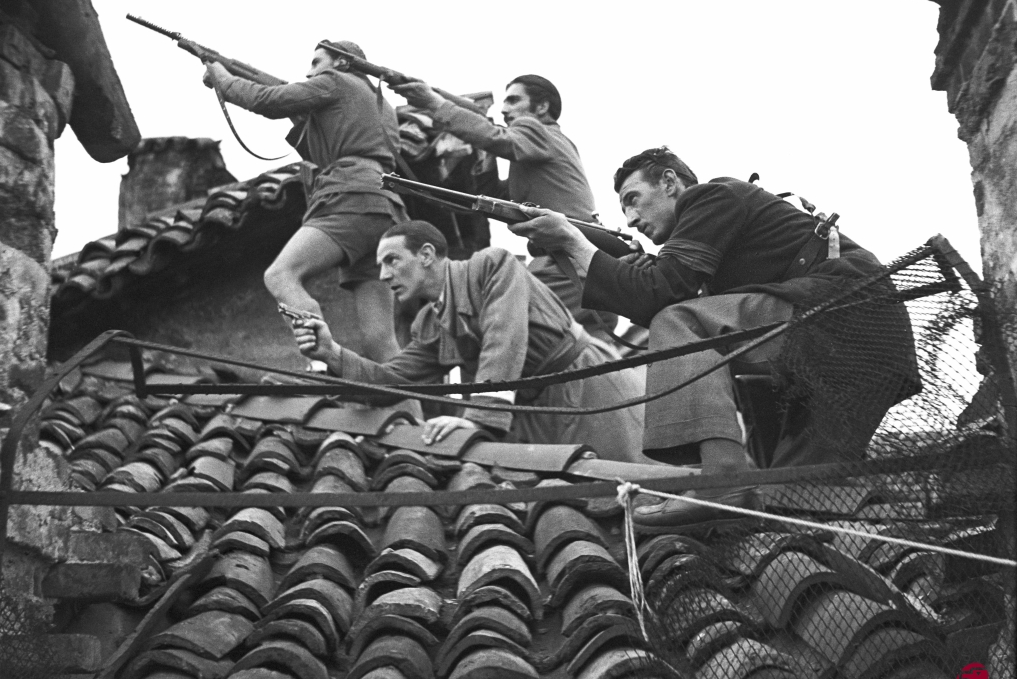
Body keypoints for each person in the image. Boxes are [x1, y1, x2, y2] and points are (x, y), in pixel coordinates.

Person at [510, 147, 917, 527]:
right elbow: (640, 285)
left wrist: (571, 238)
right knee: (796, 493)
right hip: (862, 351)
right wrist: (568, 248)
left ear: (670, 183)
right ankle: (889, 533)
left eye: (633, 199)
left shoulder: (713, 197)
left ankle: (721, 475)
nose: (631, 218)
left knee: (679, 321)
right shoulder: (711, 241)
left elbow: (659, 294)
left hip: (843, 318)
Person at [291, 219, 647, 463]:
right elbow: (394, 380)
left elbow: (503, 335)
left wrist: (478, 417)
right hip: (533, 412)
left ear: (427, 255)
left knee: (626, 488)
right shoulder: (430, 322)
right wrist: (332, 353)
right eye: (381, 265)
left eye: (392, 260)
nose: (383, 275)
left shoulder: (492, 266)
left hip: (588, 387)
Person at [203, 41, 407, 362]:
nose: (309, 72)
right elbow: (323, 146)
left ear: (341, 63)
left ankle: (320, 363)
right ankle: (411, 410)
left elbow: (265, 101)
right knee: (381, 339)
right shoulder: (379, 105)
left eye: (316, 63)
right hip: (385, 209)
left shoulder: (336, 82)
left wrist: (222, 79)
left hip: (348, 197)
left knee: (281, 275)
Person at [391, 73, 618, 339]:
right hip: (583, 267)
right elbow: (494, 194)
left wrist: (434, 103)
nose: (504, 108)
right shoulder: (549, 145)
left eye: (513, 100)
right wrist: (482, 143)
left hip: (564, 267)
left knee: (495, 322)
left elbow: (497, 139)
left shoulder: (536, 130)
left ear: (542, 107)